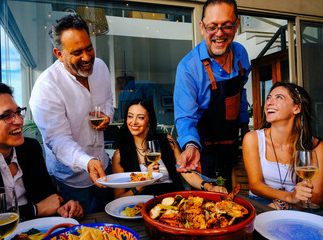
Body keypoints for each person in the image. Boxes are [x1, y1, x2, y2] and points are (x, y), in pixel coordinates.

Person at [0, 82, 83, 240]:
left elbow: (48, 196)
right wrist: (35, 210)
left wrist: (63, 208)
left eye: (18, 112)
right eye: (7, 116)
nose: (19, 121)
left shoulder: (30, 149)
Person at [29, 14, 114, 213]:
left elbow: (109, 99)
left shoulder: (100, 66)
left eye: (89, 48)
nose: (86, 57)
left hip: (104, 165)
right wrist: (87, 162)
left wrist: (108, 115)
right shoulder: (46, 87)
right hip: (71, 181)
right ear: (59, 54)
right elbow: (58, 140)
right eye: (77, 52)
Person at [174, 0, 251, 190]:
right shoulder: (188, 67)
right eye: (212, 27)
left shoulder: (241, 54)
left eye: (227, 26)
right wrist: (191, 146)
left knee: (234, 203)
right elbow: (185, 118)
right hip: (203, 152)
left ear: (237, 25)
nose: (219, 33)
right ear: (202, 27)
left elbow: (241, 97)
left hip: (232, 147)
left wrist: (245, 133)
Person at [112, 98, 227, 198]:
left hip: (173, 202)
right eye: (130, 116)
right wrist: (143, 183)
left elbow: (186, 173)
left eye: (140, 117)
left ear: (149, 121)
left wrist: (209, 187)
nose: (134, 122)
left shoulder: (166, 140)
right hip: (139, 209)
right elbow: (118, 198)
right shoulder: (120, 155)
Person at [243, 82, 323, 209]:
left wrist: (287, 205)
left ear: (296, 108)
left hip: (300, 207)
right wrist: (289, 197)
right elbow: (255, 185)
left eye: (279, 97)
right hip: (260, 202)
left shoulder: (316, 146)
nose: (269, 102)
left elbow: (317, 198)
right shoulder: (252, 139)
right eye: (269, 97)